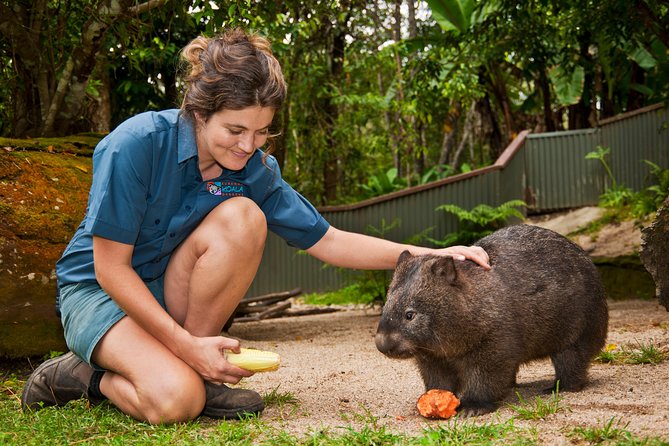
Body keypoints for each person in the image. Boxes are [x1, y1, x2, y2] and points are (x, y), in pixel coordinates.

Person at [21, 28, 490, 424]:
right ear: (200, 112)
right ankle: (80, 376)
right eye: (235, 130)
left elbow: (329, 240)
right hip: (99, 292)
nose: (249, 145)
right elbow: (111, 270)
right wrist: (184, 344)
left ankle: (199, 370)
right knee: (175, 402)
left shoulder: (253, 170)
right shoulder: (135, 145)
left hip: (168, 287)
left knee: (245, 215)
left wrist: (431, 257)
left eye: (262, 131)